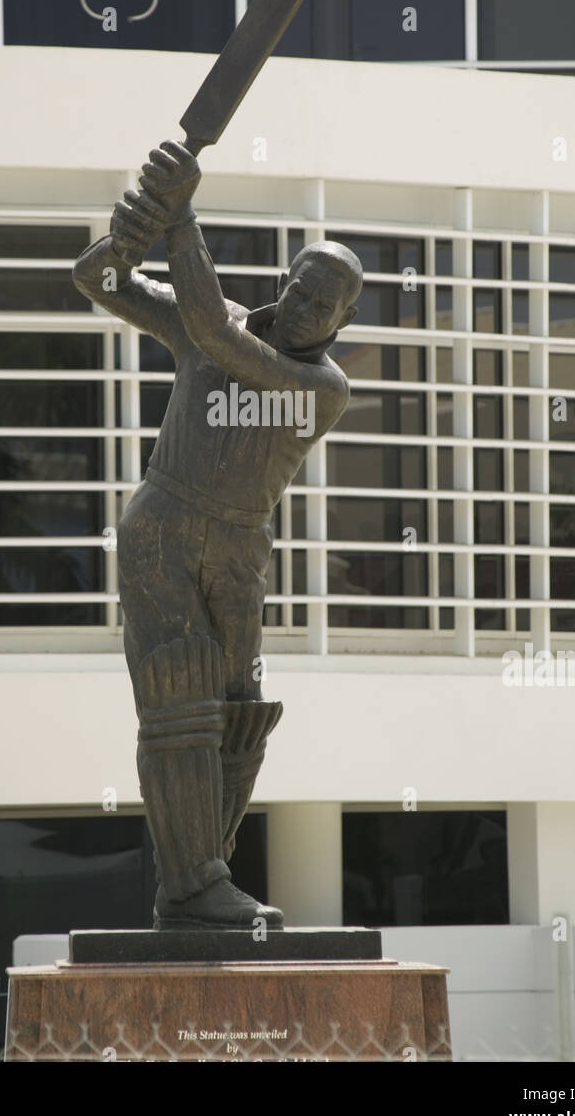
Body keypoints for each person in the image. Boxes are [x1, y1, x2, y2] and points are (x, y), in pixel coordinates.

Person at [72, 141, 362, 929]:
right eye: (299, 289)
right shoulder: (216, 316)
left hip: (238, 551)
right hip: (163, 529)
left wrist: (181, 215)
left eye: (321, 303)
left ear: (343, 319)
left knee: (237, 711)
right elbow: (96, 280)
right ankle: (196, 882)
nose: (304, 307)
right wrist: (133, 231)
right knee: (180, 695)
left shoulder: (321, 386)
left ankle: (198, 883)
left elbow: (222, 339)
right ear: (285, 282)